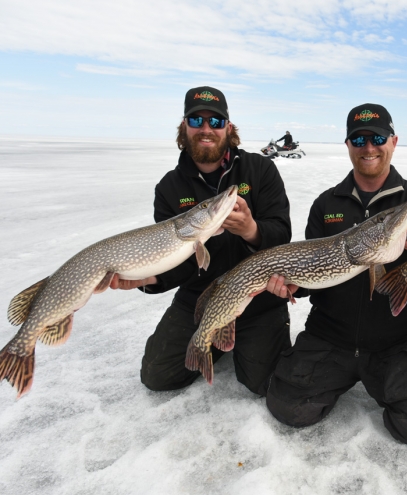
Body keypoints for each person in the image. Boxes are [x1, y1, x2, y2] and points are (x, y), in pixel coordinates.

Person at [261, 104, 407, 445]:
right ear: (348, 145)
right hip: (330, 335)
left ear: (393, 141)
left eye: (378, 138)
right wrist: (290, 284)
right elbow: (310, 277)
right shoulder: (327, 203)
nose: (369, 148)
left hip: (397, 338)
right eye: (359, 139)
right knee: (289, 408)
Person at [110, 86, 292, 396]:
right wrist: (148, 278)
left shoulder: (260, 170)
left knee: (264, 383)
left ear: (228, 128)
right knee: (158, 376)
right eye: (197, 121)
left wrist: (250, 229)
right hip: (199, 298)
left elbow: (281, 233)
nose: (206, 129)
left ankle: (235, 340)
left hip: (258, 297)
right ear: (185, 127)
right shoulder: (169, 187)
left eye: (216, 122)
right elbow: (176, 260)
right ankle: (216, 337)